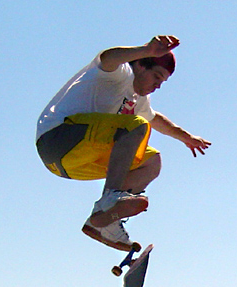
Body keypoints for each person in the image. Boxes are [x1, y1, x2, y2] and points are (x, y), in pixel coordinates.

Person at [36, 35, 211, 251]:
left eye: (162, 82)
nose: (157, 86)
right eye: (156, 77)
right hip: (56, 138)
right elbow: (109, 57)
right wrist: (146, 50)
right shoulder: (119, 73)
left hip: (71, 164)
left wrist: (187, 138)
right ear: (140, 65)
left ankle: (105, 222)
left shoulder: (138, 101)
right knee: (134, 125)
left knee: (151, 161)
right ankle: (110, 198)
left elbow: (155, 119)